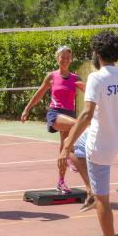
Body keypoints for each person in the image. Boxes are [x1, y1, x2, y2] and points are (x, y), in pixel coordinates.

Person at [59, 31, 118, 236]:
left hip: (100, 146)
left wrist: (67, 142)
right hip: (116, 139)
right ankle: (89, 186)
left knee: (102, 199)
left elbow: (85, 114)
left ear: (96, 53)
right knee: (78, 151)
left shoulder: (97, 78)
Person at [21, 46, 85, 194]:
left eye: (68, 58)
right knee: (78, 125)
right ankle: (72, 156)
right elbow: (39, 94)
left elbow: (91, 93)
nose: (65, 60)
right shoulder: (51, 76)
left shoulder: (76, 79)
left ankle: (61, 182)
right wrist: (27, 109)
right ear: (57, 58)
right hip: (55, 114)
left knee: (64, 148)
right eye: (62, 57)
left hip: (69, 114)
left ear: (71, 60)